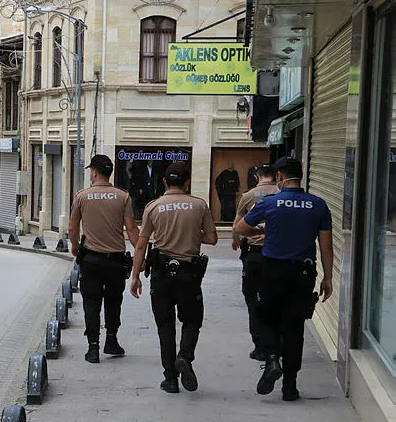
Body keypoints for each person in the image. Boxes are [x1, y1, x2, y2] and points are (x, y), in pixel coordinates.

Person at [234, 157, 333, 402]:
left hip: (273, 270)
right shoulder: (318, 205)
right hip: (303, 273)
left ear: (279, 176)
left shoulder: (270, 203)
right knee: (294, 326)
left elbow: (240, 228)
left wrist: (262, 230)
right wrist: (328, 277)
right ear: (302, 175)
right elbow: (326, 246)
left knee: (265, 315)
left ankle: (271, 358)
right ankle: (290, 386)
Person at [130, 162, 218, 393]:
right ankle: (185, 357)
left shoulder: (153, 206)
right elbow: (212, 238)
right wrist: (192, 233)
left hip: (161, 273)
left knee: (165, 325)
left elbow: (141, 245)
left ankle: (170, 379)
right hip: (189, 274)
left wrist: (135, 276)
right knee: (192, 320)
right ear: (187, 182)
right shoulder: (199, 205)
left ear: (164, 181)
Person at [69, 154, 140, 364]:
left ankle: (93, 348)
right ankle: (111, 340)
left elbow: (73, 227)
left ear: (94, 173)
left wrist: (75, 246)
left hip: (90, 259)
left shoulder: (82, 196)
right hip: (115, 261)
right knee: (113, 301)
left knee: (91, 302)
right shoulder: (123, 196)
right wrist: (140, 253)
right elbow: (131, 228)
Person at [232, 163, 278, 361]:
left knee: (253, 300)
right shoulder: (281, 194)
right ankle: (276, 344)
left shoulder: (248, 196)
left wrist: (235, 240)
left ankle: (259, 346)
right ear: (275, 176)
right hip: (277, 255)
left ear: (257, 176)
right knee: (276, 299)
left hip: (254, 255)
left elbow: (237, 224)